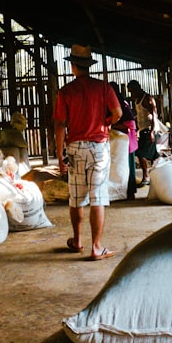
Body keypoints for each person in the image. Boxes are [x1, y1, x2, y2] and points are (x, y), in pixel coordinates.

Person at [54, 44, 122, 261]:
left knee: (76, 198)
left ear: (73, 66)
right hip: (99, 148)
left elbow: (59, 126)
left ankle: (77, 241)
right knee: (98, 198)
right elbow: (118, 112)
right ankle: (96, 247)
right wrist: (107, 123)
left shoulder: (65, 92)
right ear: (88, 66)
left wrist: (59, 156)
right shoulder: (103, 88)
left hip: (75, 148)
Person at [127, 79, 160, 186]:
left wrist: (152, 131)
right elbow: (140, 117)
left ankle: (146, 176)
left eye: (132, 91)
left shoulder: (147, 99)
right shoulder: (138, 100)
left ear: (137, 88)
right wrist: (137, 130)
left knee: (141, 153)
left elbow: (154, 115)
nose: (131, 94)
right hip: (143, 129)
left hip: (150, 129)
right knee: (154, 155)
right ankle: (158, 175)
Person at [109, 81, 139, 199]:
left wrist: (112, 126)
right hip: (118, 142)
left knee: (128, 166)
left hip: (126, 141)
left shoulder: (121, 105)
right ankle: (123, 191)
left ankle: (130, 192)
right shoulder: (114, 104)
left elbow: (130, 124)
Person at [0, 110, 32, 175]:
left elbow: (23, 145)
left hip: (8, 149)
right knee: (15, 150)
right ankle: (15, 173)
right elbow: (24, 144)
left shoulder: (13, 131)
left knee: (22, 150)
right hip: (1, 151)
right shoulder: (10, 132)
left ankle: (25, 171)